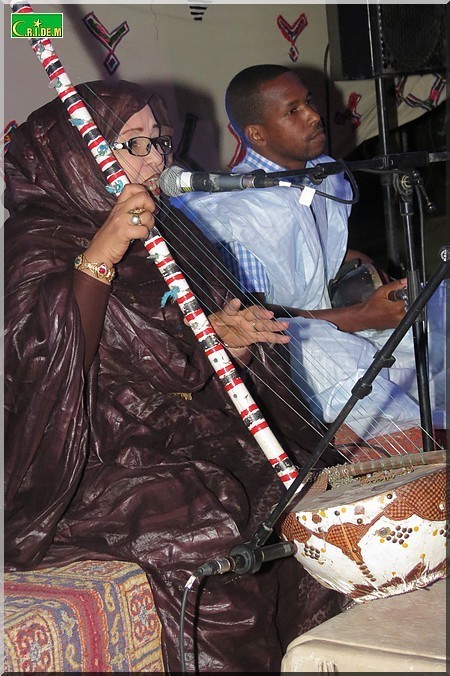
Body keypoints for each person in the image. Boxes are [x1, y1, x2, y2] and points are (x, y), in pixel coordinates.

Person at [4, 79, 344, 673]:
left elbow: (188, 359)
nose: (157, 159)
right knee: (202, 522)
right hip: (93, 452)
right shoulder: (36, 241)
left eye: (159, 141)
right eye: (133, 143)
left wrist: (229, 345)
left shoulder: (172, 232)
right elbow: (42, 368)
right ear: (77, 155)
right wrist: (101, 253)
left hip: (184, 428)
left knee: (302, 492)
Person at [173, 64, 446, 442]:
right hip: (287, 346)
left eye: (309, 102)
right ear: (256, 134)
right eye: (293, 110)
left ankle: (426, 425)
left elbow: (315, 248)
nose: (314, 116)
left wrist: (357, 264)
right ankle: (421, 442)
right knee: (335, 358)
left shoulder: (325, 174)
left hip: (337, 318)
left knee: (438, 306)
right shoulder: (233, 214)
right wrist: (361, 316)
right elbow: (259, 317)